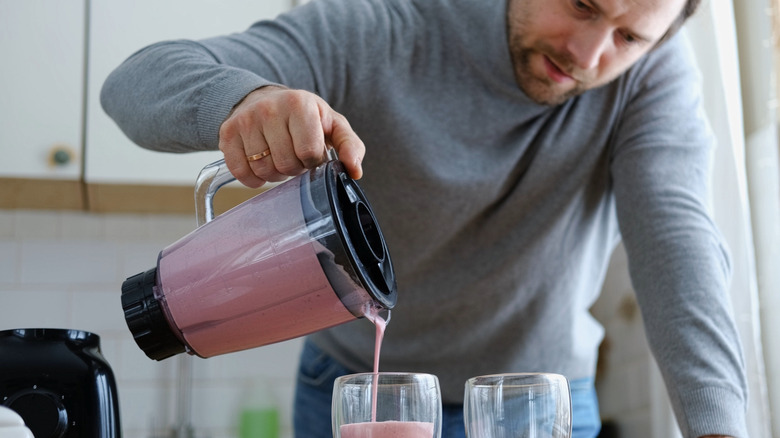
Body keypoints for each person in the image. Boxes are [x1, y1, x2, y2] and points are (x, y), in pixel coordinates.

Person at [100, 0, 748, 436]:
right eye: (580, 1)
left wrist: (718, 425)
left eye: (629, 36)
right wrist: (246, 98)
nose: (587, 51)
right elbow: (134, 82)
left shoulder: (653, 79)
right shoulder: (384, 22)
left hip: (537, 402)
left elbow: (677, 237)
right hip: (359, 390)